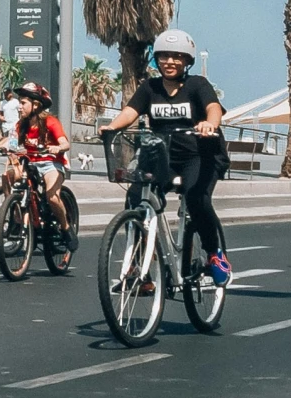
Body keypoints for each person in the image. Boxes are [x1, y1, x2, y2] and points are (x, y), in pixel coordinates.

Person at [99, 28, 232, 285]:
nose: (169, 62)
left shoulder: (197, 85)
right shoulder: (150, 87)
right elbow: (130, 111)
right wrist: (113, 127)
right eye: (164, 56)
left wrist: (210, 125)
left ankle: (215, 255)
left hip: (199, 155)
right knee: (135, 198)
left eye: (176, 57)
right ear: (156, 59)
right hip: (162, 155)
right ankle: (141, 270)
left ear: (187, 61)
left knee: (196, 197)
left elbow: (213, 108)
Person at [0, 82, 71, 233]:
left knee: (52, 197)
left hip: (51, 164)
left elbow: (65, 144)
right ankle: (15, 216)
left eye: (23, 103)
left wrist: (57, 148)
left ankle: (66, 227)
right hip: (30, 163)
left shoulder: (50, 122)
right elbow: (12, 142)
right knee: (8, 176)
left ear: (36, 105)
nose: (19, 107)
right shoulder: (22, 124)